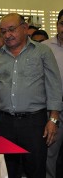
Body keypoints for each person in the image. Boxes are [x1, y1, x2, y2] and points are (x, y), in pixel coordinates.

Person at [0, 13, 62, 178]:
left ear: (25, 28)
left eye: (11, 29)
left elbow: (54, 86)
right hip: (3, 122)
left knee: (35, 169)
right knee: (6, 170)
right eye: (3, 31)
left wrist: (53, 119)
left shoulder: (42, 52)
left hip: (34, 123)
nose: (7, 35)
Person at [42, 9, 63, 178]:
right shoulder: (44, 48)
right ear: (57, 25)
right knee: (50, 155)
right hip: (53, 111)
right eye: (62, 23)